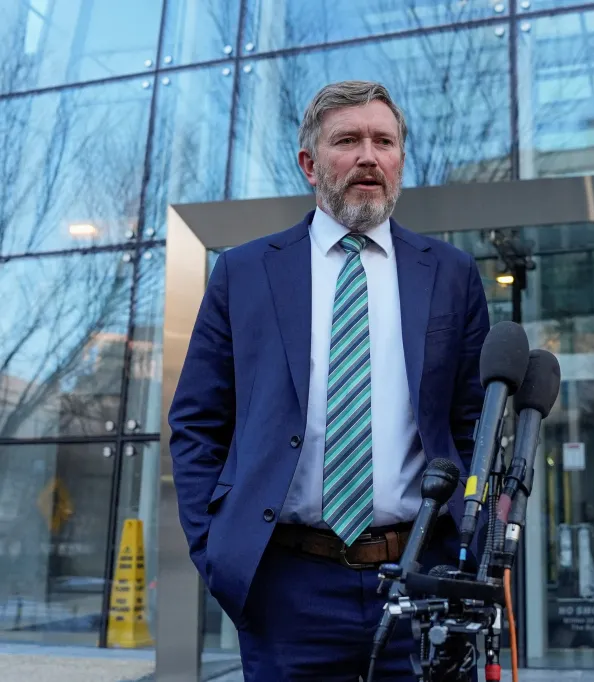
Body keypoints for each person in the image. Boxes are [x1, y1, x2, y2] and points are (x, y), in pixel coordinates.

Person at [168, 80, 490, 680]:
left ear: (399, 160)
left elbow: (474, 421)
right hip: (287, 590)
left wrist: (470, 553)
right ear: (310, 165)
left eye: (384, 141)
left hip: (422, 578)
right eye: (348, 140)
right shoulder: (244, 272)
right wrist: (217, 553)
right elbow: (197, 424)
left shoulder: (451, 274)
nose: (369, 155)